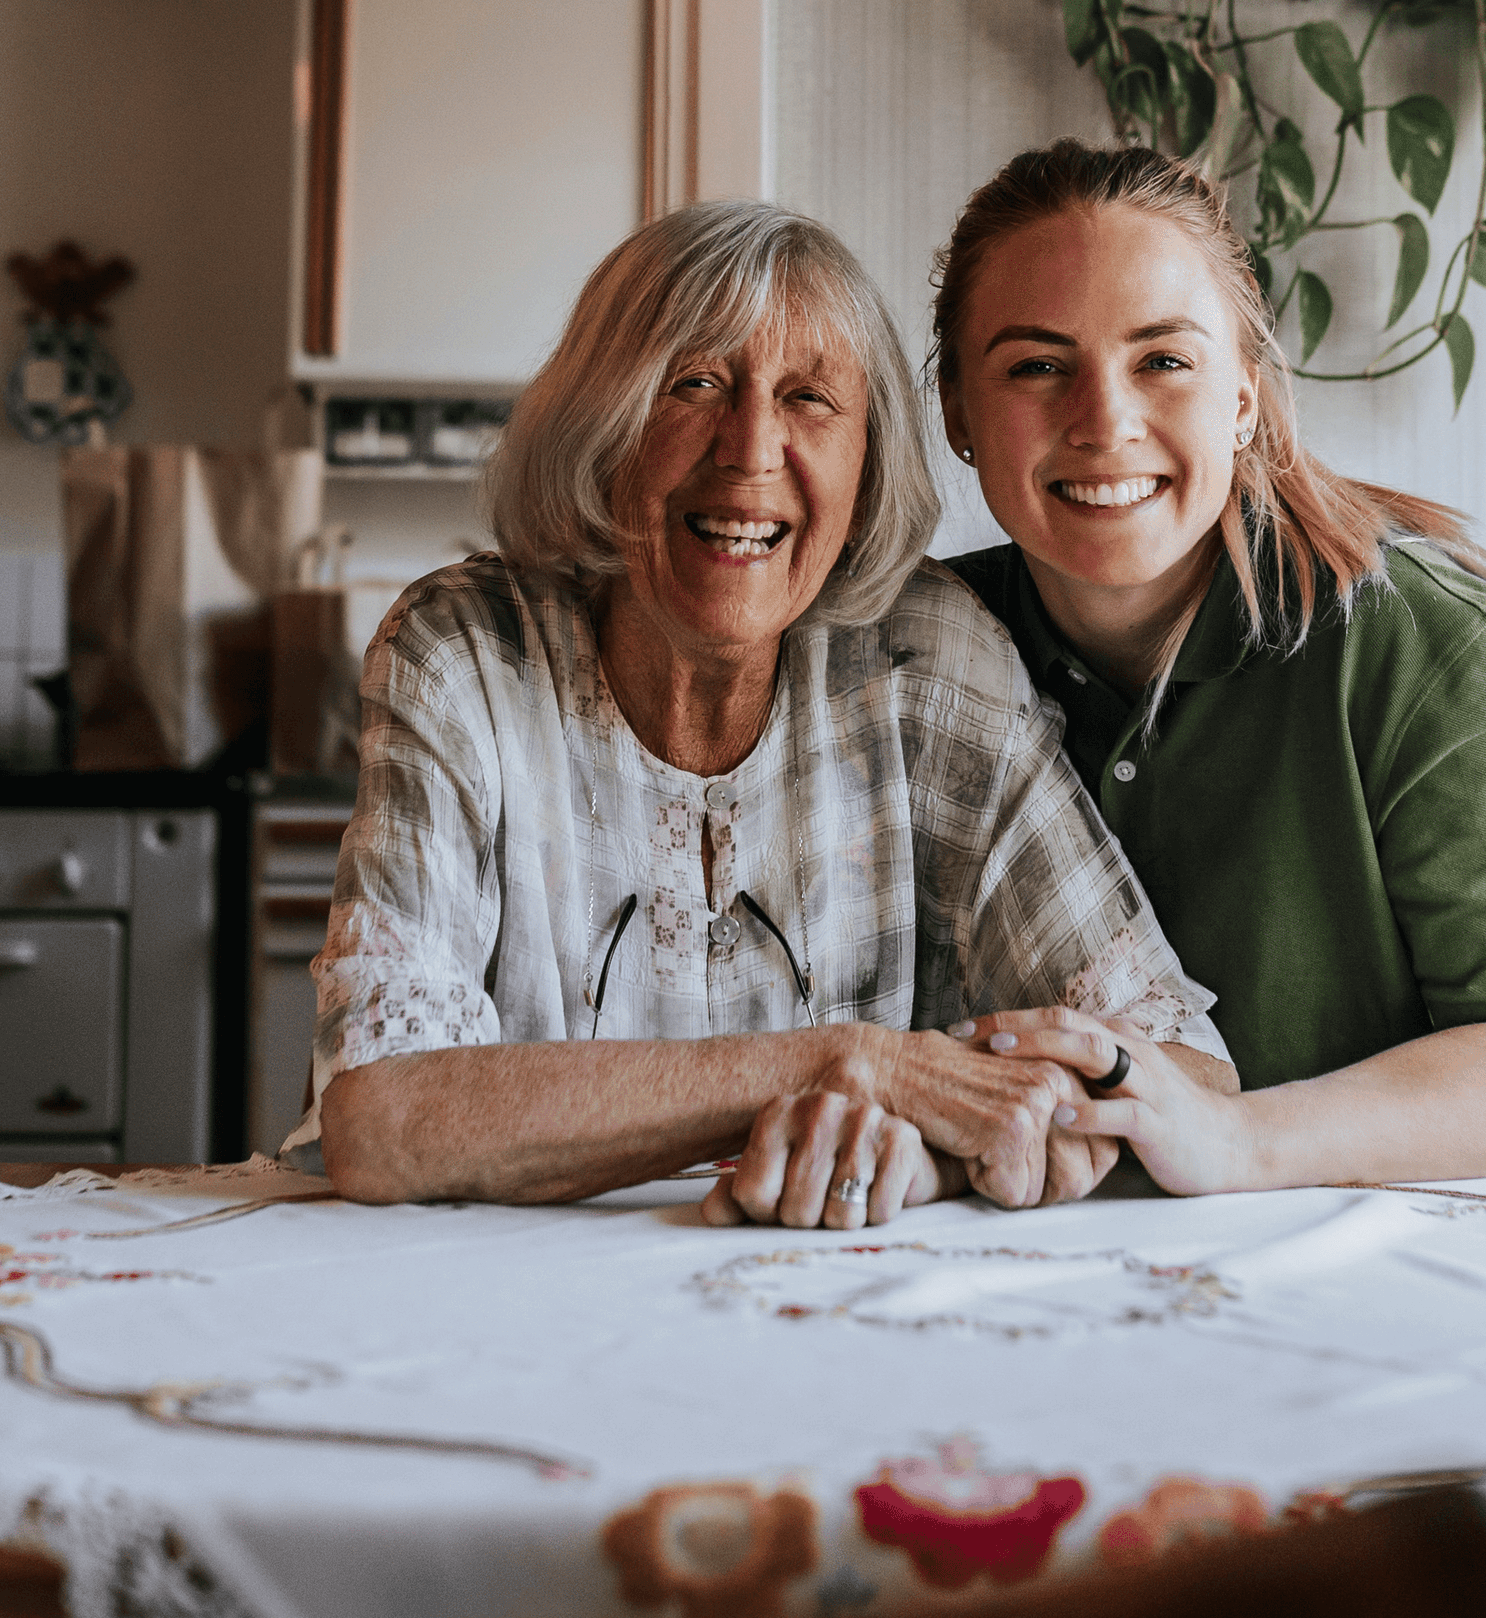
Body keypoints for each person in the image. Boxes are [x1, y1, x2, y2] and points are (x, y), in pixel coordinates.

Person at [719, 140, 1486, 1214]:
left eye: (1163, 360)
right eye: (1037, 366)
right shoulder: (910, 654)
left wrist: (1239, 1135)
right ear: (957, 414)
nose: (1104, 421)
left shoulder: (1422, 644)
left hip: (1364, 1273)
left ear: (1244, 393)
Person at [297, 198, 1231, 1226]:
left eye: (808, 398)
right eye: (693, 383)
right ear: (600, 424)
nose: (749, 449)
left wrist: (938, 1150)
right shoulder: (466, 650)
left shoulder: (927, 662)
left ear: (865, 460)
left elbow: (1181, 1072)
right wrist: (844, 1062)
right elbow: (380, 1120)